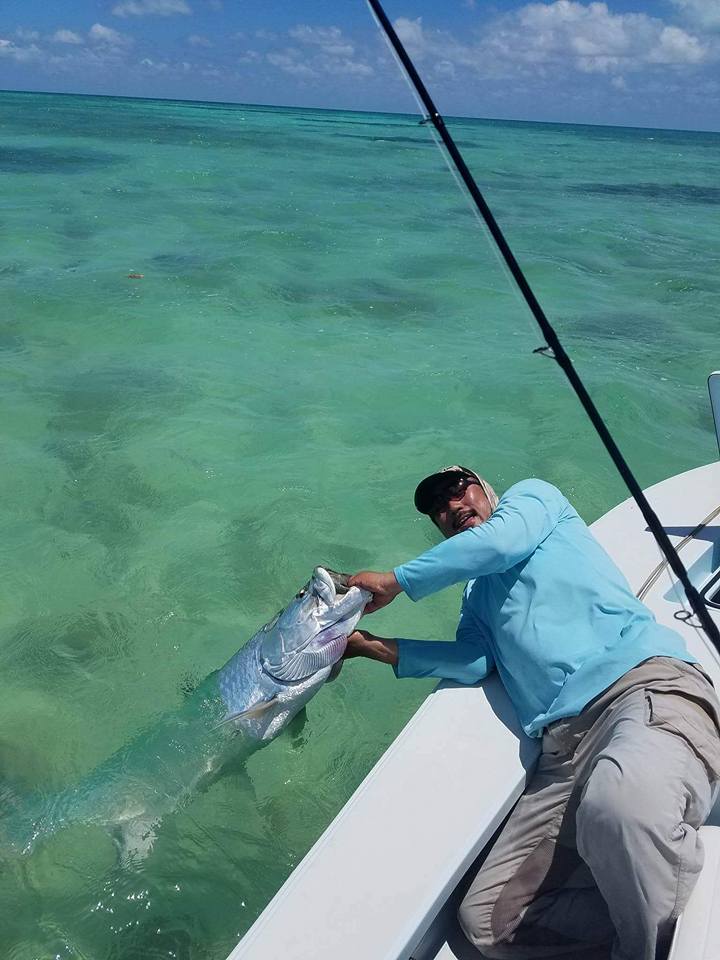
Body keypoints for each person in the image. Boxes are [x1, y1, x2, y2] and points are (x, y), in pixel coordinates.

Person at [345, 466, 720, 960]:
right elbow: (475, 660)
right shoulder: (476, 598)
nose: (450, 506)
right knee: (486, 924)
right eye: (437, 508)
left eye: (458, 489)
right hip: (562, 753)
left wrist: (397, 580)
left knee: (620, 806)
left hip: (640, 690)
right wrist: (372, 647)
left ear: (487, 490)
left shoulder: (535, 504)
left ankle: (647, 931)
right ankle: (648, 893)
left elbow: (499, 545)